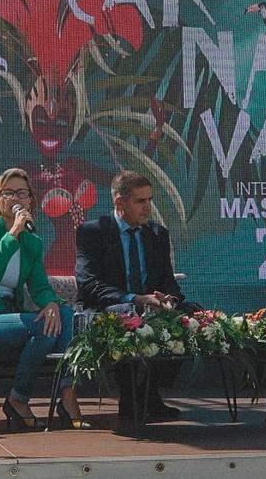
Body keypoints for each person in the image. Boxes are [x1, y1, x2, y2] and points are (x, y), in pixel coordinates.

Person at [0, 167, 89, 431]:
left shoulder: (32, 242)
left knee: (66, 315)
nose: (16, 198)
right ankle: (18, 398)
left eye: (22, 193)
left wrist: (51, 303)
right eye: (9, 193)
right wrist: (12, 233)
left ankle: (68, 394)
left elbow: (39, 287)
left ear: (30, 201)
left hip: (9, 312)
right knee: (43, 328)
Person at [76, 170, 197, 421]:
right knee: (128, 316)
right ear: (120, 203)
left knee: (192, 315)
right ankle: (131, 397)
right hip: (110, 308)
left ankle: (148, 390)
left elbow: (168, 282)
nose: (148, 207)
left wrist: (170, 300)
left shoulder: (157, 234)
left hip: (149, 307)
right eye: (140, 201)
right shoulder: (93, 232)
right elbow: (89, 285)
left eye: (150, 200)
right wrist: (134, 298)